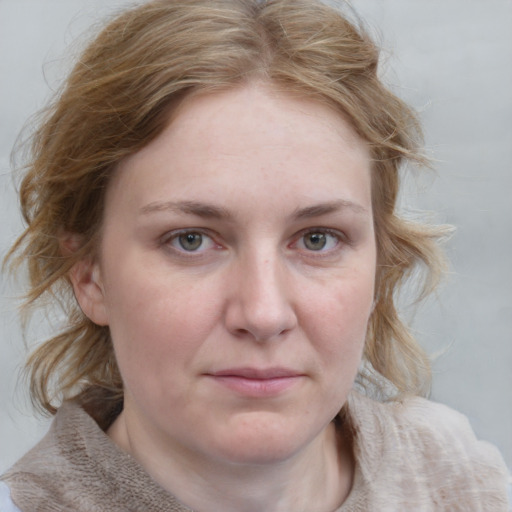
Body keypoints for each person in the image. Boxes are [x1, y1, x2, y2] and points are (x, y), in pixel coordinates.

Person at [1, 0, 510, 510]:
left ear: (380, 268)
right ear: (89, 275)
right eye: (191, 240)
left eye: (317, 239)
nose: (264, 314)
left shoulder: (461, 483)